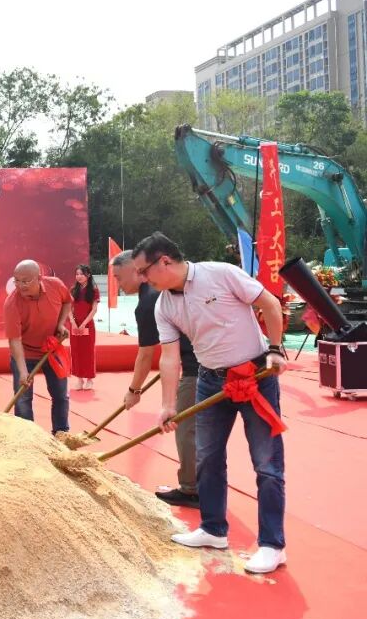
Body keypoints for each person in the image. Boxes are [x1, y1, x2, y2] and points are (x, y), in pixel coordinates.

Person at [132, 231, 289, 574]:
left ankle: (272, 545)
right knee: (207, 457)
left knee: (266, 463)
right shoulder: (163, 305)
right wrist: (168, 405)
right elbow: (170, 357)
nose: (142, 278)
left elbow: (269, 303)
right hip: (210, 380)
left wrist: (276, 349)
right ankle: (213, 529)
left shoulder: (220, 273)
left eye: (144, 271)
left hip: (254, 376)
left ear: (164, 261)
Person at [110, 250, 200, 508]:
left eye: (119, 277)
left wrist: (134, 390)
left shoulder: (148, 302)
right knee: (201, 429)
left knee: (185, 428)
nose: (118, 284)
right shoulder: (157, 294)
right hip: (197, 360)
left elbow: (146, 354)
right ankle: (204, 484)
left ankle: (192, 489)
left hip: (196, 368)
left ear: (136, 270)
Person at [3, 260, 72, 432]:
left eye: (26, 281)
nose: (20, 285)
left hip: (51, 349)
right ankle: (28, 437)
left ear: (39, 278)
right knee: (23, 399)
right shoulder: (12, 304)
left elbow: (67, 302)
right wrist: (22, 371)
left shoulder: (55, 286)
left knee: (61, 395)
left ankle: (61, 434)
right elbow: (14, 340)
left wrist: (60, 324)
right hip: (25, 353)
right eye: (17, 280)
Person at [69, 264, 100, 390]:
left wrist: (83, 324)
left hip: (87, 324)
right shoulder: (73, 290)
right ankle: (79, 379)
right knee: (76, 351)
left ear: (88, 275)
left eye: (81, 274)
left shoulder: (93, 290)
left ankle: (89, 379)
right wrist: (73, 322)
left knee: (88, 352)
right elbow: (69, 308)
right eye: (77, 274)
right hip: (75, 325)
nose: (79, 276)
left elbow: (94, 309)